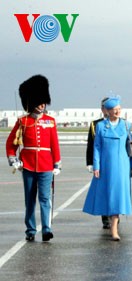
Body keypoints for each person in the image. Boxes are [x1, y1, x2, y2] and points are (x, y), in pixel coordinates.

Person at [5, 74, 61, 242]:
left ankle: (46, 229)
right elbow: (11, 143)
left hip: (46, 165)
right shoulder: (23, 121)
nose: (42, 104)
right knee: (30, 200)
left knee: (45, 198)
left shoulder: (50, 121)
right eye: (39, 101)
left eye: (44, 101)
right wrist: (13, 159)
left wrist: (57, 163)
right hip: (28, 165)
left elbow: (54, 144)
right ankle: (30, 229)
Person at [82, 96, 132, 241]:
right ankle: (109, 222)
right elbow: (97, 147)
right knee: (107, 194)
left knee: (118, 195)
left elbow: (131, 146)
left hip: (122, 165)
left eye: (119, 109)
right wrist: (96, 166)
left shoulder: (126, 125)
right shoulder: (100, 126)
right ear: (107, 111)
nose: (117, 112)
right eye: (114, 109)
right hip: (106, 165)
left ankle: (114, 228)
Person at [85, 97, 112, 229]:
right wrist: (90, 162)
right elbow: (91, 145)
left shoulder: (122, 123)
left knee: (115, 190)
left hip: (115, 162)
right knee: (103, 190)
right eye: (106, 107)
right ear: (102, 109)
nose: (108, 110)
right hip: (100, 163)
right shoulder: (95, 124)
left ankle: (115, 215)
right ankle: (105, 218)